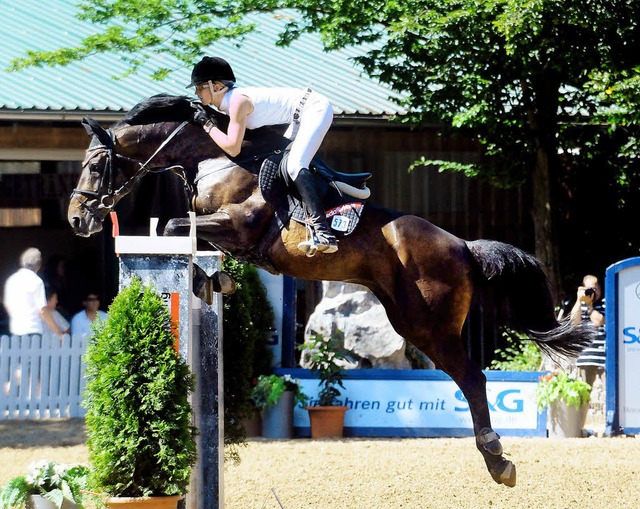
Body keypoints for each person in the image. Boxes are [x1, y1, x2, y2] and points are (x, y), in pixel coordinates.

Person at [187, 56, 338, 255]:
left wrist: (207, 126)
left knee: (293, 166)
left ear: (216, 86)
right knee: (281, 165)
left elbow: (233, 148)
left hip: (314, 108)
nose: (197, 92)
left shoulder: (237, 102)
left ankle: (324, 231)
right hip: (299, 115)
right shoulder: (229, 103)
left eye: (199, 87)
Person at [3, 248, 65, 339]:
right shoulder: (36, 281)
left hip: (15, 331)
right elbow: (42, 310)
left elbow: (7, 305)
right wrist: (58, 332)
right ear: (39, 265)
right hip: (33, 331)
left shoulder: (11, 280)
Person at [570, 274, 606, 388]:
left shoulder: (606, 303)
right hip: (585, 357)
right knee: (583, 395)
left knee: (609, 392)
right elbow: (573, 322)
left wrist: (590, 307)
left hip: (604, 358)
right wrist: (579, 300)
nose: (594, 292)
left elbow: (599, 321)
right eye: (591, 289)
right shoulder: (581, 306)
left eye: (596, 289)